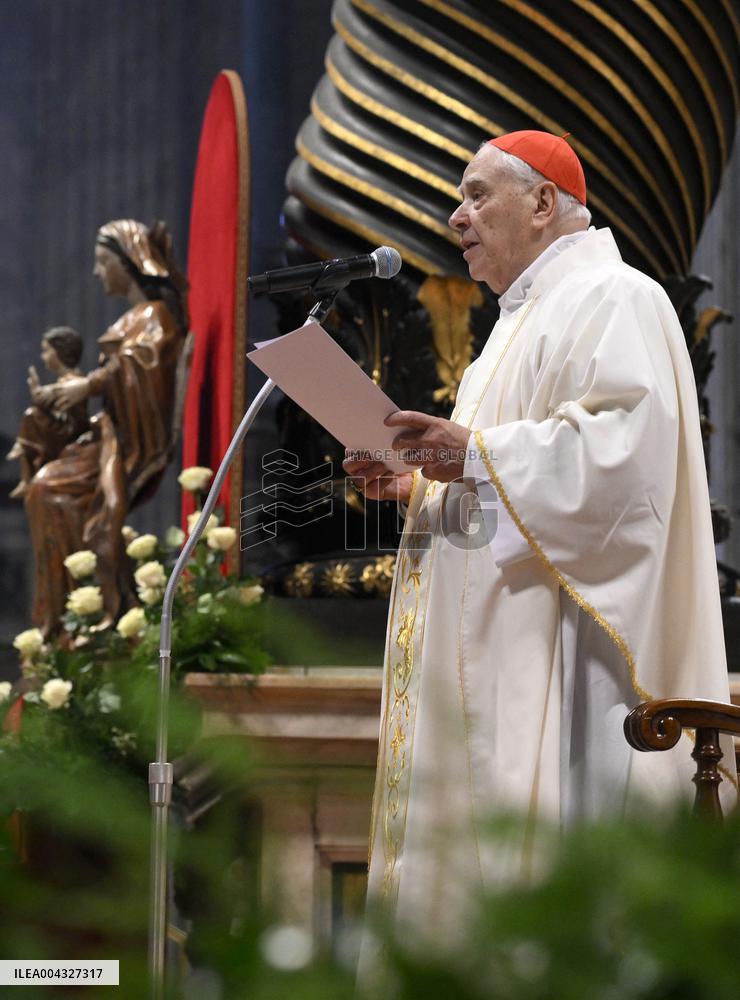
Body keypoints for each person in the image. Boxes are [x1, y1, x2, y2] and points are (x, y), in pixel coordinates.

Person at [345, 131, 737, 947]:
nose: (456, 216)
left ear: (544, 202)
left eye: (476, 194)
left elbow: (622, 464)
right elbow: (500, 482)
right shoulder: (515, 326)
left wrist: (472, 454)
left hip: (571, 672)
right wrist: (420, 485)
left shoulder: (615, 296)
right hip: (500, 660)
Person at [24, 219, 189, 633]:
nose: (97, 272)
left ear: (128, 261)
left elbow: (143, 367)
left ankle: (88, 608)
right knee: (43, 488)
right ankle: (66, 614)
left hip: (128, 441)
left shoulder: (155, 316)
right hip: (109, 432)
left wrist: (90, 384)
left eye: (103, 261)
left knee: (51, 491)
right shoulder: (135, 318)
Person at [7, 327, 88, 498]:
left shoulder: (75, 381)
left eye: (46, 350)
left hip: (71, 433)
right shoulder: (66, 380)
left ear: (60, 351)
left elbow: (57, 398)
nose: (43, 356)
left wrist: (39, 394)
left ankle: (26, 475)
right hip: (64, 429)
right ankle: (26, 472)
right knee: (33, 416)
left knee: (32, 415)